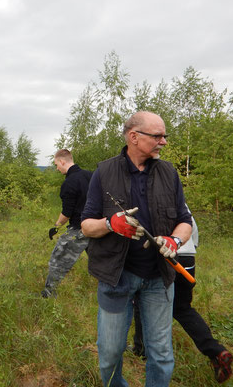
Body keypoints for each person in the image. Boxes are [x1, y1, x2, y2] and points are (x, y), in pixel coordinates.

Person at [81, 111, 192, 387]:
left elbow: (185, 222)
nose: (163, 142)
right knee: (109, 353)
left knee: (162, 354)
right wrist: (110, 223)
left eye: (164, 136)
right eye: (157, 136)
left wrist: (174, 241)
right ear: (134, 137)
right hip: (117, 278)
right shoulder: (104, 172)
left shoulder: (169, 173)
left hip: (159, 279)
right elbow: (86, 226)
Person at [131, 210, 233, 383]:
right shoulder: (182, 205)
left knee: (141, 301)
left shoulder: (154, 198)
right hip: (187, 257)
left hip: (166, 256)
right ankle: (216, 351)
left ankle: (141, 348)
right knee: (183, 309)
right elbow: (194, 235)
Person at [41, 149, 92, 298]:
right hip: (98, 227)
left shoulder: (69, 182)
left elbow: (67, 213)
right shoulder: (91, 175)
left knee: (57, 259)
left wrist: (56, 227)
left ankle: (49, 294)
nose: (57, 168)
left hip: (79, 230)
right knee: (102, 262)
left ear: (63, 161)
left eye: (57, 164)